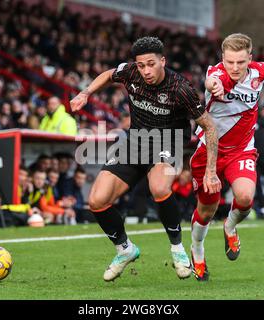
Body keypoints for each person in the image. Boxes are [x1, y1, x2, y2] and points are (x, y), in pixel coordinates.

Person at [70, 36, 220, 281]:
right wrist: (85, 93)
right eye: (141, 65)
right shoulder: (130, 73)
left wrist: (211, 171)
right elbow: (109, 74)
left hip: (169, 141)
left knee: (159, 188)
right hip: (136, 140)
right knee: (97, 200)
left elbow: (210, 126)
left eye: (151, 64)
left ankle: (178, 249)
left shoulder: (180, 88)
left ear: (163, 61)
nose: (146, 71)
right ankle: (125, 249)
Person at [190, 33, 264, 281]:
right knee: (206, 210)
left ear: (250, 57)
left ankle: (230, 226)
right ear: (222, 58)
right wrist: (212, 85)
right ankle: (197, 251)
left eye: (240, 62)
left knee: (245, 197)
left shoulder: (258, 72)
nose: (234, 68)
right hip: (209, 152)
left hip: (241, 150)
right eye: (229, 62)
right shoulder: (217, 75)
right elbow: (210, 82)